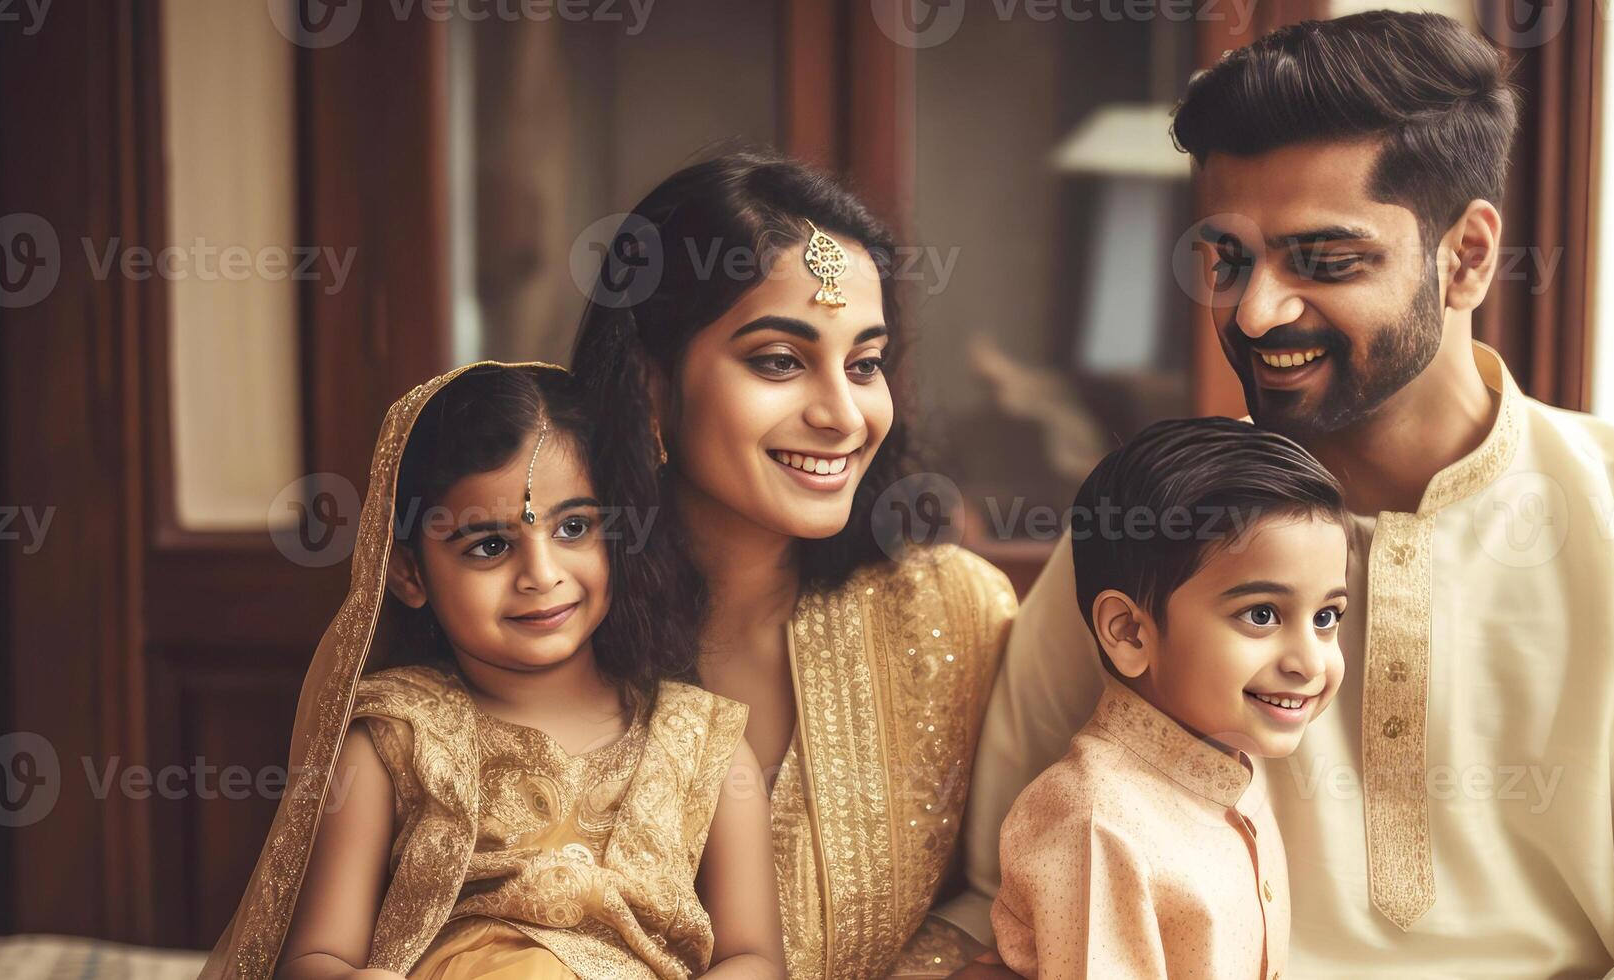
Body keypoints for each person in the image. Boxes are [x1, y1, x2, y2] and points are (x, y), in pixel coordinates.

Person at [950, 12, 1614, 978]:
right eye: (1229, 260)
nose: (1254, 311)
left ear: (1468, 256)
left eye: (1324, 260)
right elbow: (1000, 896)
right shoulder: (1150, 517)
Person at [570, 152, 1018, 979]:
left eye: (865, 363)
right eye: (779, 360)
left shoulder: (954, 612)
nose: (843, 415)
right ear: (650, 384)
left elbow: (1008, 896)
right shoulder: (548, 616)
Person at [200, 363, 783, 980]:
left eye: (575, 528)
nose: (541, 573)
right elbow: (316, 958)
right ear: (409, 573)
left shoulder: (700, 744)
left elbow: (755, 957)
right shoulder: (396, 740)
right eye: (489, 546)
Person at [990, 418, 1348, 979]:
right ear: (1130, 632)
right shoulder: (1095, 822)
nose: (1309, 661)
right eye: (1262, 615)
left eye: (1326, 617)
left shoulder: (1234, 775)